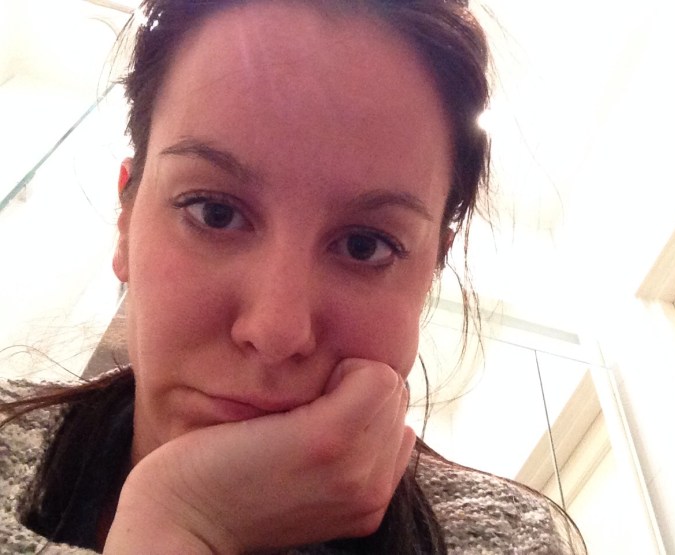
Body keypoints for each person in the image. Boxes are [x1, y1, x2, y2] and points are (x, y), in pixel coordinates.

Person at [0, 0, 586, 553]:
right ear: (126, 224)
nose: (275, 330)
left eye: (364, 246)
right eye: (214, 212)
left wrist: (180, 519)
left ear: (429, 275)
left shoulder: (500, 538)